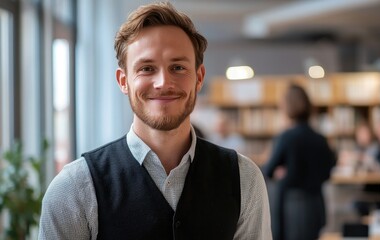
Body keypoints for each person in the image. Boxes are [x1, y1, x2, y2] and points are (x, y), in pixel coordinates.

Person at [38, 3, 271, 240]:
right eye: (147, 68)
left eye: (178, 67)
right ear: (123, 81)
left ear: (199, 78)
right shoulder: (74, 188)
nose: (163, 82)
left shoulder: (244, 179)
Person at [262, 84, 335, 240]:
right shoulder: (321, 139)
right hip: (316, 204)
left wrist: (282, 174)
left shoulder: (286, 137)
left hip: (294, 208)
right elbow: (328, 171)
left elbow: (267, 171)